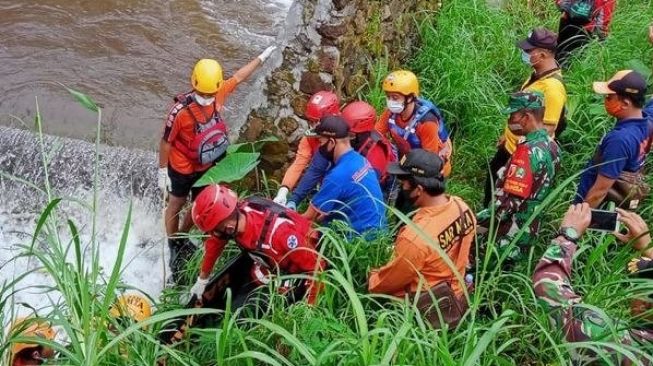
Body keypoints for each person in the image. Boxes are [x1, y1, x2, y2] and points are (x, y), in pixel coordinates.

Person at [158, 46, 277, 274]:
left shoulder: (217, 94)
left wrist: (262, 57)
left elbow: (239, 77)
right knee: (176, 204)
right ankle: (174, 243)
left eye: (209, 95)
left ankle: (184, 235)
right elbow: (166, 142)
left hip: (207, 164)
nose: (205, 98)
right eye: (202, 94)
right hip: (182, 166)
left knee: (199, 204)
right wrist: (162, 171)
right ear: (193, 85)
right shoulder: (179, 112)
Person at [368, 149, 476, 329]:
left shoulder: (416, 236)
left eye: (403, 183)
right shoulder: (462, 207)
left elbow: (389, 282)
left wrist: (372, 279)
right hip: (458, 292)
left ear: (418, 189)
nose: (401, 187)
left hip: (426, 308)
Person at [533, 204, 653, 364]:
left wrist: (567, 235)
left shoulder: (621, 346)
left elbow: (548, 287)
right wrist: (648, 249)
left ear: (645, 306)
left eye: (638, 287)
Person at [189, 184, 325, 306]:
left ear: (228, 226)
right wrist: (202, 279)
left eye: (215, 230)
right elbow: (215, 244)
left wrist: (309, 308)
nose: (215, 234)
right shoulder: (238, 216)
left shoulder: (280, 234)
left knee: (249, 311)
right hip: (269, 265)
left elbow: (317, 268)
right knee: (240, 302)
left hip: (297, 269)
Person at [484, 28, 567, 207]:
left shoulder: (552, 89)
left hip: (519, 154)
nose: (525, 53)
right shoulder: (537, 75)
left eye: (529, 51)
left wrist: (521, 152)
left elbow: (548, 129)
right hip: (510, 145)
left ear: (543, 54)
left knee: (502, 197)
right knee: (491, 184)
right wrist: (507, 135)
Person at [479, 91, 561, 262]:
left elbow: (508, 205)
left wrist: (476, 220)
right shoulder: (552, 145)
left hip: (508, 234)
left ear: (526, 116)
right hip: (530, 228)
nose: (509, 121)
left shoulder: (526, 153)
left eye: (512, 115)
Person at [284, 101, 396, 209]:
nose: (345, 137)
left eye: (350, 134)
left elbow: (363, 192)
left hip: (376, 188)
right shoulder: (335, 142)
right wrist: (294, 199)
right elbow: (316, 169)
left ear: (361, 134)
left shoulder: (375, 154)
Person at [574, 70, 650, 209]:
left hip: (596, 209)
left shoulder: (619, 140)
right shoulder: (646, 122)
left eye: (609, 97)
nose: (605, 101)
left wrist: (576, 221)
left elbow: (599, 192)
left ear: (626, 103)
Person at [302, 116, 386, 237]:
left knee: (306, 232)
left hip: (359, 240)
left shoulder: (337, 176)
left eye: (321, 142)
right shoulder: (361, 160)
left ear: (331, 142)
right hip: (379, 232)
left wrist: (284, 214)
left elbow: (309, 217)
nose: (320, 147)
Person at [375, 70, 453, 177]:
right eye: (388, 97)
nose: (390, 102)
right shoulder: (390, 113)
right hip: (408, 159)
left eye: (395, 97)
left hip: (432, 168)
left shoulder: (426, 123)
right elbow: (376, 134)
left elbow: (429, 161)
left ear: (410, 97)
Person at [273, 91, 341, 207]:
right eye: (311, 121)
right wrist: (283, 192)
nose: (313, 126)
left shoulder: (345, 138)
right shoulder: (309, 138)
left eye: (317, 122)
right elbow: (299, 163)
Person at [555, 0, 616, 67]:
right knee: (576, 59)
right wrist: (602, 39)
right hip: (586, 28)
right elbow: (602, 21)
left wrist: (565, 8)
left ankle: (555, 70)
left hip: (566, 21)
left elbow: (560, 2)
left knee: (560, 52)